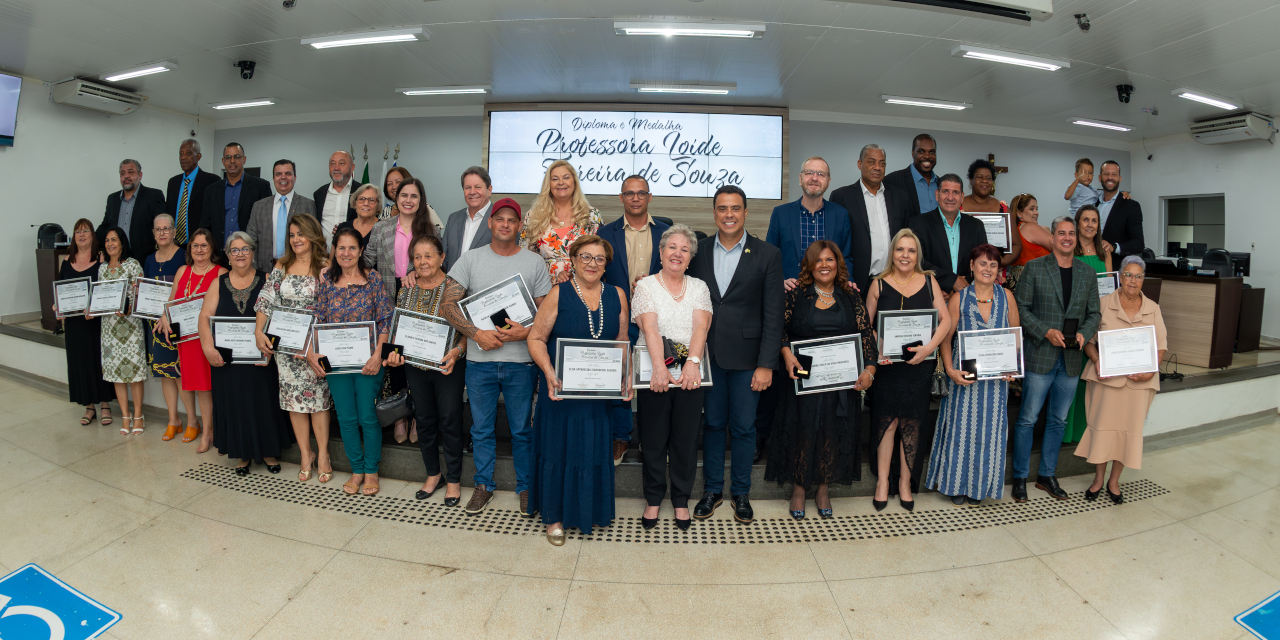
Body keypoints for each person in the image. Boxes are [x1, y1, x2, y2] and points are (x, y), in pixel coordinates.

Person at [448, 199, 553, 516]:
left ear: (520, 226)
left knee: (522, 430)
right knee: (481, 430)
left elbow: (546, 312)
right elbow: (448, 305)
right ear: (490, 223)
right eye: (500, 219)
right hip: (480, 364)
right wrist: (476, 334)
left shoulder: (534, 263)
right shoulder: (471, 259)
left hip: (521, 363)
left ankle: (525, 487)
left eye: (512, 220)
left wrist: (526, 332)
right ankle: (483, 486)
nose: (505, 224)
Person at [686, 185, 784, 524]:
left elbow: (774, 315)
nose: (729, 214)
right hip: (707, 357)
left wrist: (766, 365)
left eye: (736, 208)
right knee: (712, 425)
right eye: (722, 208)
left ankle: (741, 493)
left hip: (748, 360)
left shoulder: (768, 254)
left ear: (745, 213)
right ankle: (712, 491)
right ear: (714, 213)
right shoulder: (696, 252)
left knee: (743, 429)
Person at [527, 235, 630, 545]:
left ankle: (590, 511)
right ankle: (554, 518)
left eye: (599, 259)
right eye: (585, 257)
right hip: (561, 394)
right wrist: (548, 372)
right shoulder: (558, 294)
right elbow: (535, 338)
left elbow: (621, 343)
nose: (592, 264)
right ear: (572, 260)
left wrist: (624, 379)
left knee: (590, 451)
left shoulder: (618, 295)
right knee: (558, 451)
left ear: (606, 265)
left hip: (598, 397)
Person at [765, 240, 878, 519]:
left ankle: (824, 488)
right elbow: (779, 330)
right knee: (803, 432)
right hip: (803, 381)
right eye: (818, 260)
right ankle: (800, 489)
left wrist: (870, 370)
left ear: (838, 264)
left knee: (832, 432)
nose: (824, 265)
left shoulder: (850, 296)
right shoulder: (796, 295)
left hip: (840, 382)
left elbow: (865, 334)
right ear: (809, 265)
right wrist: (787, 356)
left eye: (830, 260)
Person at [1011, 215, 1102, 502]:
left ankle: (1048, 476)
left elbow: (1094, 314)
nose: (1066, 238)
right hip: (1041, 354)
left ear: (1076, 239)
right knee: (1027, 419)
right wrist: (1044, 332)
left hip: (1072, 359)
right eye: (1061, 233)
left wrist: (1084, 334)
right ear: (1052, 238)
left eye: (1071, 234)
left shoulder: (1087, 273)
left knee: (1058, 420)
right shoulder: (1034, 268)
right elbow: (1022, 309)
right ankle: (1020, 478)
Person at [631, 224, 711, 531]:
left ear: (690, 257)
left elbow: (700, 327)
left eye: (684, 249)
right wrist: (660, 367)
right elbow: (649, 327)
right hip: (655, 372)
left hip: (691, 374)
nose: (677, 253)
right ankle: (653, 499)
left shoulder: (699, 287)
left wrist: (692, 362)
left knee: (685, 440)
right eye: (671, 247)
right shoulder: (646, 286)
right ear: (661, 253)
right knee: (652, 440)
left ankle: (680, 499)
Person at [926, 244, 1021, 505]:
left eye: (993, 264)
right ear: (971, 266)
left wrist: (1012, 366)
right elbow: (945, 337)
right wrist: (949, 370)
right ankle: (955, 485)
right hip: (963, 377)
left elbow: (1015, 334)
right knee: (960, 430)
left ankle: (979, 488)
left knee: (989, 434)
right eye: (982, 263)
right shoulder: (959, 298)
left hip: (994, 381)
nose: (987, 269)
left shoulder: (1007, 297)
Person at [865, 229, 951, 511]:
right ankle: (882, 483)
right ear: (893, 253)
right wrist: (879, 349)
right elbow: (866, 326)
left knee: (912, 424)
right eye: (900, 249)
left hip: (918, 367)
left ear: (918, 256)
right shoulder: (878, 284)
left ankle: (904, 482)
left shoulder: (929, 282)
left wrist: (929, 350)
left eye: (911, 251)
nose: (905, 255)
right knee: (887, 423)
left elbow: (946, 321)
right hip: (888, 369)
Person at [384, 234, 473, 507]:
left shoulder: (456, 288)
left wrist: (457, 351)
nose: (423, 262)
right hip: (416, 367)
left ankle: (454, 479)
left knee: (450, 420)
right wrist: (395, 355)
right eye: (417, 257)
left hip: (449, 366)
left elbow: (470, 332)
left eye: (429, 255)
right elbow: (399, 329)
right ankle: (433, 475)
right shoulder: (406, 290)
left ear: (442, 258)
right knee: (423, 420)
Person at [308, 227, 392, 496]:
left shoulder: (373, 279)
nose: (346, 253)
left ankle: (371, 470)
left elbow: (385, 320)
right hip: (337, 364)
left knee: (368, 417)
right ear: (335, 251)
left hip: (369, 361)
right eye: (341, 248)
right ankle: (356, 470)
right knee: (345, 417)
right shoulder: (327, 282)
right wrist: (313, 353)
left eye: (352, 248)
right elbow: (318, 320)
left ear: (360, 251)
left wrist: (378, 355)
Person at [1078, 256, 1166, 504]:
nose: (1133, 280)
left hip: (1139, 384)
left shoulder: (1153, 308)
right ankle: (1098, 480)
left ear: (1143, 280)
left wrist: (1151, 370)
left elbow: (1161, 346)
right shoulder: (1103, 304)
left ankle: (1114, 482)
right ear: (1120, 276)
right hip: (1107, 381)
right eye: (1128, 274)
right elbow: (1089, 342)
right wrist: (1097, 361)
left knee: (1128, 432)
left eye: (1138, 276)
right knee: (1103, 431)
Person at [198, 232, 288, 475]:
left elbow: (279, 318)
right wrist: (208, 347)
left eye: (245, 249)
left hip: (261, 359)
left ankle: (268, 451)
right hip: (228, 361)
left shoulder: (267, 279)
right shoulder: (218, 282)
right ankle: (242, 454)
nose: (240, 254)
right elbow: (204, 316)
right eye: (235, 250)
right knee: (235, 404)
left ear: (253, 253)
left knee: (263, 403)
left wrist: (271, 348)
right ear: (228, 256)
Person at [254, 214, 334, 484]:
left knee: (318, 402)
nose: (296, 239)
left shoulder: (325, 266)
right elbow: (266, 298)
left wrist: (312, 346)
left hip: (315, 347)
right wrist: (258, 330)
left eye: (301, 233)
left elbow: (330, 308)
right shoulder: (282, 264)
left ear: (313, 235)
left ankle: (323, 455)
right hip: (286, 347)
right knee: (294, 403)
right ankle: (305, 454)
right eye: (292, 235)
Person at [596, 175, 670, 465]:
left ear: (650, 197)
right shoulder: (605, 232)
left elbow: (677, 270)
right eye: (630, 194)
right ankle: (621, 437)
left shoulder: (666, 233)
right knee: (619, 377)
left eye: (641, 193)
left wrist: (652, 281)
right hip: (617, 315)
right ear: (621, 198)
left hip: (657, 316)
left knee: (658, 374)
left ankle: (657, 440)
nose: (635, 198)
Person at [365, 177, 436, 443]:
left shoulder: (430, 229)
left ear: (421, 200)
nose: (408, 200)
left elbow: (438, 263)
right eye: (403, 195)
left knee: (415, 359)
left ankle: (417, 416)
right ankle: (400, 417)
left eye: (414, 196)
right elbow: (367, 261)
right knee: (394, 358)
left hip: (419, 299)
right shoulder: (381, 227)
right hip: (386, 299)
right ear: (396, 198)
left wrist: (415, 271)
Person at [156, 228, 226, 451]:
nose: (199, 250)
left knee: (205, 387)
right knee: (191, 384)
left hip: (206, 339)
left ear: (212, 248)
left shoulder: (220, 272)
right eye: (195, 245)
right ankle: (198, 424)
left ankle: (208, 432)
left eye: (204, 245)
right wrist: (164, 316)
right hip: (185, 339)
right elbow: (171, 300)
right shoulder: (182, 271)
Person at [830, 144, 912, 296]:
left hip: (894, 279)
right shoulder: (841, 197)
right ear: (859, 164)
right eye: (871, 162)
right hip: (857, 282)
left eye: (882, 163)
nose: (877, 167)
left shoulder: (900, 196)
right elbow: (835, 244)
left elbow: (907, 237)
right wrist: (845, 278)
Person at [1064, 204, 1114, 443]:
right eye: (1085, 220)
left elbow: (1110, 289)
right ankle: (1069, 432)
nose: (1090, 225)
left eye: (1094, 220)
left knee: (1093, 380)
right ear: (1077, 223)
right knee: (1073, 378)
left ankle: (1088, 431)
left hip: (1099, 319)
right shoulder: (1070, 249)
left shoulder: (1105, 252)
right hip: (1076, 319)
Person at [57, 219, 114, 426]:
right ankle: (89, 406)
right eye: (78, 231)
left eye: (86, 231)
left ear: (93, 235)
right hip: (74, 324)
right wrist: (57, 306)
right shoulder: (66, 261)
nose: (82, 235)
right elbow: (61, 291)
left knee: (98, 362)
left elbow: (106, 292)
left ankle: (106, 404)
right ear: (74, 236)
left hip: (95, 322)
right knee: (79, 363)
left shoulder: (101, 261)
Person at [142, 214, 192, 440]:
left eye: (166, 229)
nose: (162, 233)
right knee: (164, 374)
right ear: (153, 233)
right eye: (158, 229)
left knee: (181, 374)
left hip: (178, 324)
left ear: (174, 232)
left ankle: (192, 420)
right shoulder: (149, 259)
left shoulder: (184, 256)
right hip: (156, 325)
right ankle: (174, 420)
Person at [767, 156, 853, 284]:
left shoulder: (841, 214)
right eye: (809, 173)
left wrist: (847, 282)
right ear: (800, 179)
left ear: (828, 182)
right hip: (791, 294)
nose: (814, 178)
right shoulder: (780, 214)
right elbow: (769, 257)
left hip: (829, 294)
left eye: (821, 174)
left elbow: (846, 258)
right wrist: (780, 281)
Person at [98, 228, 147, 436]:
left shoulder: (132, 264)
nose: (110, 244)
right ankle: (125, 417)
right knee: (117, 375)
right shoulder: (101, 268)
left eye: (114, 240)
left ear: (122, 242)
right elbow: (99, 295)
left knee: (134, 375)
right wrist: (92, 308)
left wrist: (127, 308)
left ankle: (138, 416)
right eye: (107, 240)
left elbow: (140, 293)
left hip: (131, 327)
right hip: (109, 328)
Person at [520, 160, 602, 283]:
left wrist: (574, 274)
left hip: (582, 288)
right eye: (555, 179)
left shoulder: (592, 216)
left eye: (566, 177)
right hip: (542, 290)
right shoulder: (533, 216)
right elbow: (525, 258)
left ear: (574, 182)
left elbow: (600, 257)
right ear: (548, 184)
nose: (561, 182)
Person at [907, 173, 989, 297]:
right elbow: (918, 261)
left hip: (968, 296)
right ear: (937, 195)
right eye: (945, 191)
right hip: (932, 296)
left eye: (955, 192)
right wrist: (951, 282)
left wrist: (960, 288)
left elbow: (982, 261)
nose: (950, 198)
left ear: (962, 197)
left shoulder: (976, 226)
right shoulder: (918, 224)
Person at [198, 142, 272, 252]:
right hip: (219, 254)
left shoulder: (261, 187)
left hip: (249, 254)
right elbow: (205, 226)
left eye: (237, 157)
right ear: (223, 161)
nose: (232, 161)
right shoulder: (211, 191)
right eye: (228, 157)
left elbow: (267, 224)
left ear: (244, 159)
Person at [246, 160, 317, 273]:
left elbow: (314, 241)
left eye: (288, 174)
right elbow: (250, 241)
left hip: (298, 270)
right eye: (278, 174)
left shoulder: (308, 205)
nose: (283, 177)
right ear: (273, 178)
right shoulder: (258, 206)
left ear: (295, 177)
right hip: (263, 270)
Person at [97, 159, 165, 259]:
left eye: (131, 172)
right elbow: (105, 227)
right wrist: (88, 239)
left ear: (140, 175)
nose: (126, 176)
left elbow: (161, 228)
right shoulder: (112, 199)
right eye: (122, 173)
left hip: (146, 259)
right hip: (117, 260)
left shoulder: (154, 196)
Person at [166, 139, 220, 248]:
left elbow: (215, 216)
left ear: (199, 156)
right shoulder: (173, 182)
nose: (183, 157)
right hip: (174, 246)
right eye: (181, 154)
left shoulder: (212, 181)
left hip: (199, 245)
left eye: (188, 153)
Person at [442, 166, 494, 273]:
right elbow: (444, 258)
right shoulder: (453, 218)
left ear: (489, 190)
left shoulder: (500, 220)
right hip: (453, 286)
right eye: (467, 187)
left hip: (484, 288)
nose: (472, 192)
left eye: (478, 187)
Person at [1096, 161, 1145, 264]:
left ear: (1120, 179)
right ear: (1100, 178)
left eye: (1114, 174)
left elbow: (1138, 244)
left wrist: (1113, 247)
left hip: (1116, 268)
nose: (1110, 177)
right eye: (1106, 174)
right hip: (1092, 266)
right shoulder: (1093, 205)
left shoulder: (1131, 206)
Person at [883, 133, 940, 216]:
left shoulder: (941, 183)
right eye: (921, 151)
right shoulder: (892, 180)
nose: (927, 156)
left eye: (932, 152)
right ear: (913, 154)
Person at [313, 150, 361, 245]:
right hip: (323, 255)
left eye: (341, 163)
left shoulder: (361, 192)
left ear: (352, 168)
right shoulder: (319, 194)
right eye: (332, 164)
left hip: (351, 254)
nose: (336, 168)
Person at [1006, 193, 1052, 292]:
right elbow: (1057, 246)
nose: (1037, 213)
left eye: (1037, 209)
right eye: (1032, 209)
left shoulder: (1015, 230)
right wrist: (1047, 231)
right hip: (1034, 282)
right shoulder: (1030, 227)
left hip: (1016, 281)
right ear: (1019, 213)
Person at [381, 166, 444, 233]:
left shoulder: (426, 208)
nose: (394, 187)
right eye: (389, 184)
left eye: (398, 182)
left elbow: (435, 236)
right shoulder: (386, 211)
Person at [336, 184, 381, 249]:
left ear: (378, 204)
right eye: (361, 199)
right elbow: (333, 258)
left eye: (371, 200)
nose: (366, 204)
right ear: (354, 203)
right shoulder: (342, 228)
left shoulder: (385, 229)